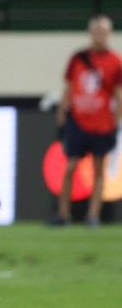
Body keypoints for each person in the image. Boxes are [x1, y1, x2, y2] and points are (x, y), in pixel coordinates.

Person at [52, 15, 122, 227]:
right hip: (78, 121)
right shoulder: (78, 58)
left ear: (109, 34)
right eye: (97, 31)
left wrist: (116, 121)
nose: (100, 35)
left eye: (104, 32)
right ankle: (63, 214)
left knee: (99, 169)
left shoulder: (115, 61)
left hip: (103, 124)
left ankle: (93, 216)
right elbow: (69, 87)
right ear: (90, 33)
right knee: (70, 166)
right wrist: (62, 112)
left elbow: (118, 94)